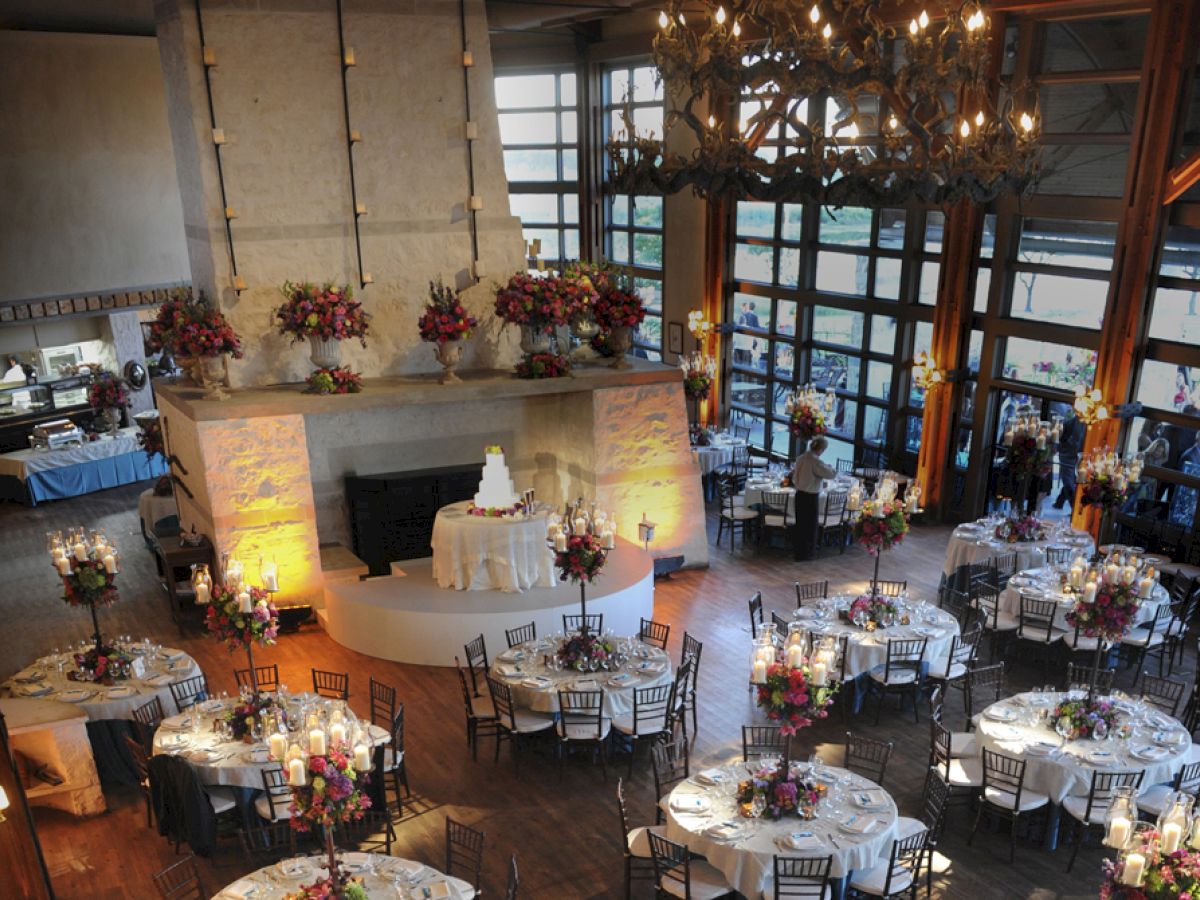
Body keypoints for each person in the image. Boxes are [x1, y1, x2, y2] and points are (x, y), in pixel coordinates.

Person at [791, 436, 836, 561]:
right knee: (810, 526)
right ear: (821, 449)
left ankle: (799, 552)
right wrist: (831, 467)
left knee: (800, 525)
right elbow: (830, 474)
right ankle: (808, 554)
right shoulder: (816, 461)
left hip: (799, 495)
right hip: (811, 497)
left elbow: (795, 478)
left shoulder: (801, 458)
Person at [1053, 408, 1085, 510]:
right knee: (1068, 482)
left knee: (1070, 481)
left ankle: (1060, 502)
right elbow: (1060, 438)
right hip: (1068, 456)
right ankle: (1075, 509)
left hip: (1077, 457)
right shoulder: (1070, 422)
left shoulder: (1086, 424)